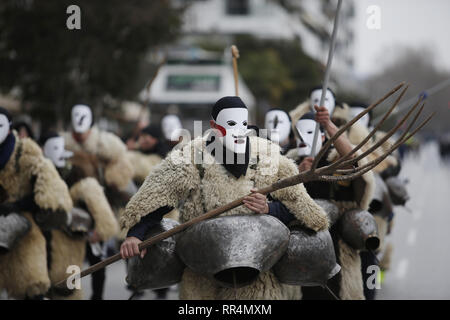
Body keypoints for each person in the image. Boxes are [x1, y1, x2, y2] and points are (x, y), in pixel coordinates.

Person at [119, 96, 329, 300]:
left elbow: (301, 206)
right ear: (213, 125)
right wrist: (136, 233)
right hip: (201, 264)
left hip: (255, 266)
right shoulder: (193, 154)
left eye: (243, 123)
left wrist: (269, 209)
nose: (238, 130)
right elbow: (159, 194)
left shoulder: (266, 154)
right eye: (230, 123)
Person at [286, 101, 375, 300]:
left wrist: (329, 125)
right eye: (300, 134)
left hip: (337, 247)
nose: (304, 140)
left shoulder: (336, 159)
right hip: (297, 253)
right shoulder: (287, 162)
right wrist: (296, 176)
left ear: (324, 137)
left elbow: (354, 161)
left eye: (310, 133)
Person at [0, 107, 73, 299]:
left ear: (8, 128)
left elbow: (50, 188)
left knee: (36, 286)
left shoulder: (27, 151)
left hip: (31, 225)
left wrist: (21, 205)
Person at [40, 132, 119, 300]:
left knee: (75, 278)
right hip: (46, 230)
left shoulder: (77, 172)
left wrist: (101, 228)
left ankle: (97, 296)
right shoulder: (39, 173)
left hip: (79, 229)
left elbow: (93, 194)